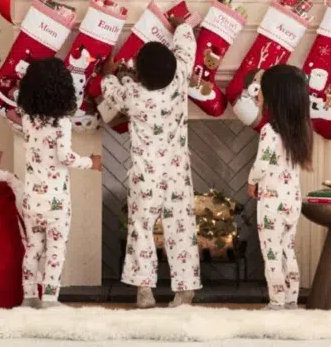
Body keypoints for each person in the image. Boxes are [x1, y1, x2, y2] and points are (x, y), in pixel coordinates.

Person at [100, 18, 201, 308]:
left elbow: (111, 92)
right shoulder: (180, 78)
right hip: (177, 171)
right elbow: (186, 51)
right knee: (181, 226)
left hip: (145, 174)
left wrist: (110, 74)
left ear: (140, 75)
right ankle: (185, 291)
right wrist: (182, 26)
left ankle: (144, 289)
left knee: (142, 227)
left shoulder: (133, 94)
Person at [17, 58, 102, 309]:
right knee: (55, 250)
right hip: (56, 202)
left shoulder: (27, 120)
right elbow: (64, 157)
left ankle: (29, 297)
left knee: (33, 248)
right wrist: (91, 162)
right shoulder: (62, 124)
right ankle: (50, 300)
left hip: (31, 198)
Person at [248, 64, 313, 310]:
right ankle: (291, 301)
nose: (258, 95)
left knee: (272, 253)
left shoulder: (268, 131)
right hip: (292, 201)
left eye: (262, 91)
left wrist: (251, 181)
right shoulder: (301, 131)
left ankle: (276, 302)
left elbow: (262, 164)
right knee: (288, 250)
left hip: (271, 203)